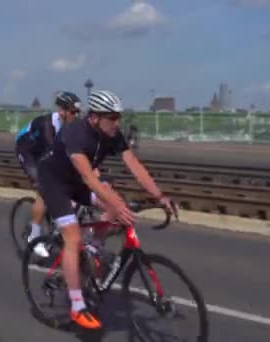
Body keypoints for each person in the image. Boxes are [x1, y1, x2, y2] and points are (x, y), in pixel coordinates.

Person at [37, 90, 174, 330]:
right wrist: (118, 206)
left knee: (115, 207)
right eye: (112, 118)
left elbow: (135, 166)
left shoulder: (112, 134)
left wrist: (159, 195)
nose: (117, 123)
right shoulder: (75, 133)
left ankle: (94, 248)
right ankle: (77, 305)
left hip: (77, 182)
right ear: (95, 117)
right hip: (55, 182)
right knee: (72, 236)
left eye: (119, 117)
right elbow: (90, 178)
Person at [14, 91, 82, 257]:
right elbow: (53, 157)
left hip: (45, 153)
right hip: (28, 151)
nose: (76, 116)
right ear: (62, 111)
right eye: (73, 112)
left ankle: (55, 219)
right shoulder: (46, 126)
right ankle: (34, 235)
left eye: (77, 112)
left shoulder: (72, 125)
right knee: (44, 190)